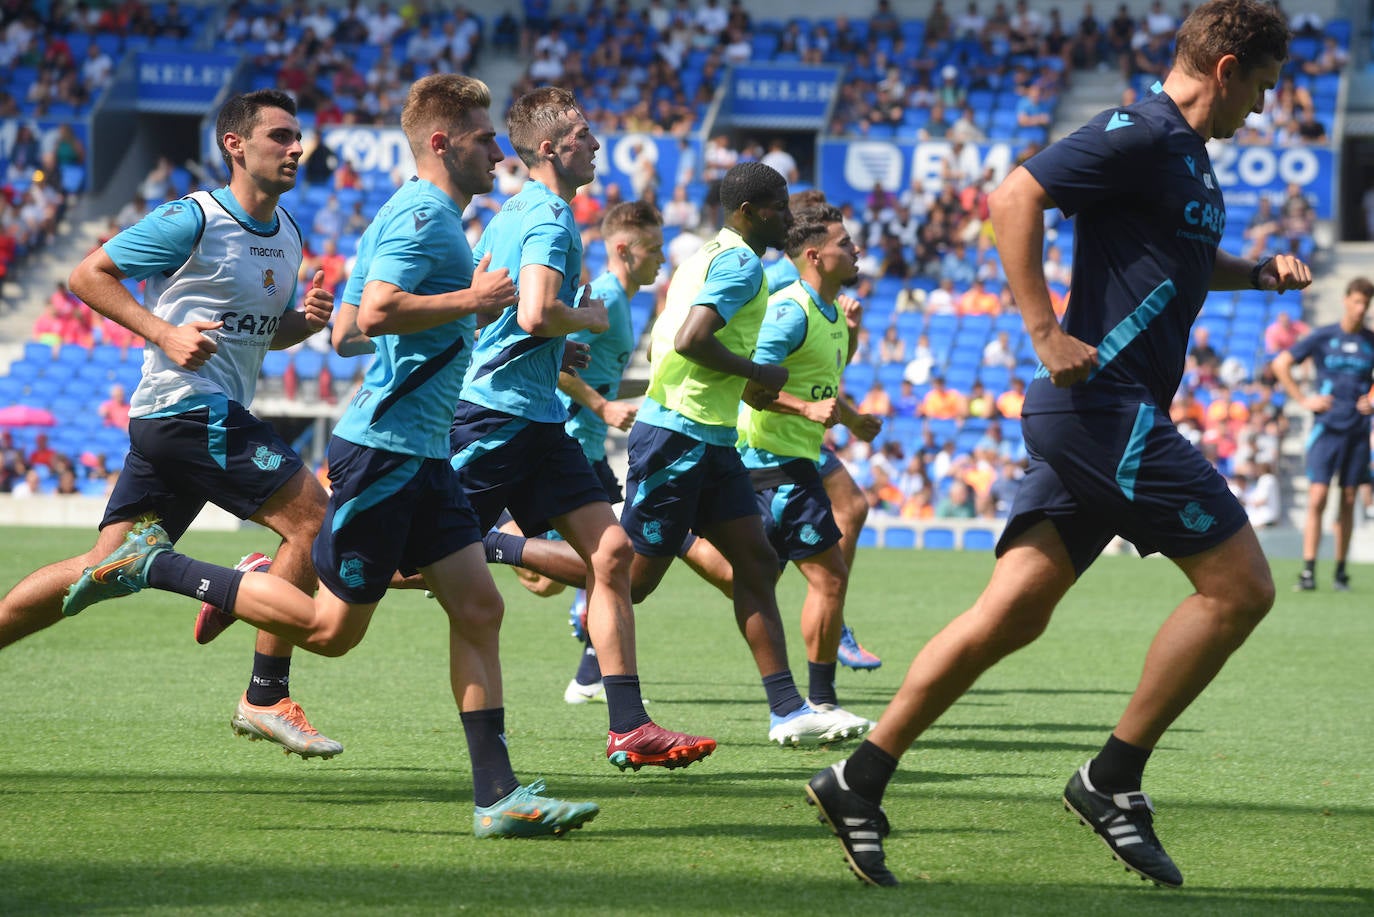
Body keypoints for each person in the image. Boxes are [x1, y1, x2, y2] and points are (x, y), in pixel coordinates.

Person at [805, 0, 1309, 888]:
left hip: (1105, 413)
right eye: (1261, 89)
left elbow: (1175, 264)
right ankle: (1112, 780)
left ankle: (858, 778)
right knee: (1241, 586)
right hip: (1102, 408)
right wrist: (1041, 330)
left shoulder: (1185, 157)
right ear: (1226, 71)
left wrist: (1256, 272)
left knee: (1014, 611)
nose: (1263, 110)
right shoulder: (1142, 131)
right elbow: (1015, 194)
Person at [64, 75, 606, 838]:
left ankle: (499, 797)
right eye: (486, 138)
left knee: (480, 606)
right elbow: (380, 311)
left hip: (422, 451)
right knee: (331, 632)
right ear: (444, 143)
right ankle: (156, 566)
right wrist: (472, 303)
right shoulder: (424, 215)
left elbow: (353, 329)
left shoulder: (432, 217)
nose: (499, 152)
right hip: (384, 451)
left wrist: (482, 323)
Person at [0, 90, 343, 758]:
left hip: (191, 418)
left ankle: (231, 592)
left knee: (98, 570)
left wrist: (305, 322)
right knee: (314, 522)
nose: (297, 148)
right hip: (187, 408)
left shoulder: (290, 236)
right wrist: (162, 330)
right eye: (280, 136)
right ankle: (265, 694)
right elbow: (86, 274)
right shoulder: (195, 218)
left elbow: (258, 334)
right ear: (235, 145)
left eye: (299, 137)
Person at [486, 162, 867, 746]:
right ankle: (497, 543)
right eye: (777, 207)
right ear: (746, 212)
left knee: (758, 563)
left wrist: (747, 383)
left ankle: (790, 710)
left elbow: (678, 340)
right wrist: (758, 372)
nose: (786, 219)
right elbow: (691, 340)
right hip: (680, 436)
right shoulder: (739, 262)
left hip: (708, 436)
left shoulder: (711, 256)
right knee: (629, 579)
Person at [451, 86, 716, 770]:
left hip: (538, 417)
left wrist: (556, 348)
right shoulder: (546, 217)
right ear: (549, 148)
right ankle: (286, 571)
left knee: (612, 555)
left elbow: (506, 313)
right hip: (498, 415)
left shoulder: (522, 212)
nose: (596, 145)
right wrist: (584, 324)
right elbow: (536, 312)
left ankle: (629, 724)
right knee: (410, 559)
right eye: (583, 135)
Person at [666, 204, 883, 726]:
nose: (855, 250)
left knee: (752, 573)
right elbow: (751, 382)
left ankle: (676, 536)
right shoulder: (789, 310)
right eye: (845, 243)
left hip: (796, 455)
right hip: (769, 458)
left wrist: (849, 419)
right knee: (827, 575)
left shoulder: (832, 311)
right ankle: (820, 703)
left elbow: (818, 375)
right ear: (814, 256)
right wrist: (806, 410)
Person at [490, 200, 665, 704]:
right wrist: (602, 407)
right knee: (610, 560)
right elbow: (552, 360)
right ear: (623, 250)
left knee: (571, 574)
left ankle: (590, 673)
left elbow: (596, 374)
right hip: (568, 441)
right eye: (653, 250)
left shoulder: (626, 302)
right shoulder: (604, 296)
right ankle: (485, 542)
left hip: (582, 445)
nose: (660, 260)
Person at [1271, 276, 1374, 592]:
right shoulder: (1323, 337)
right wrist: (1303, 399)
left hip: (1357, 430)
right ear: (1345, 300)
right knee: (1317, 497)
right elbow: (1281, 364)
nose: (1360, 309)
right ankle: (1308, 571)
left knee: (1349, 497)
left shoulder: (1371, 340)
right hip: (1325, 429)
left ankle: (1341, 573)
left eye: (1365, 304)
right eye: (1356, 301)